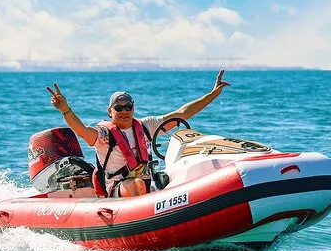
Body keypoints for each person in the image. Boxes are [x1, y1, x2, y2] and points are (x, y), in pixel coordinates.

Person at [45, 70, 230, 198]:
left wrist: (213, 94)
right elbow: (82, 131)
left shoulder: (146, 125)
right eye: (119, 108)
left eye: (128, 107)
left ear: (133, 108)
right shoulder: (104, 134)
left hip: (148, 184)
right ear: (110, 111)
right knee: (136, 184)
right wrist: (65, 110)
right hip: (119, 188)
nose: (124, 111)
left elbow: (182, 113)